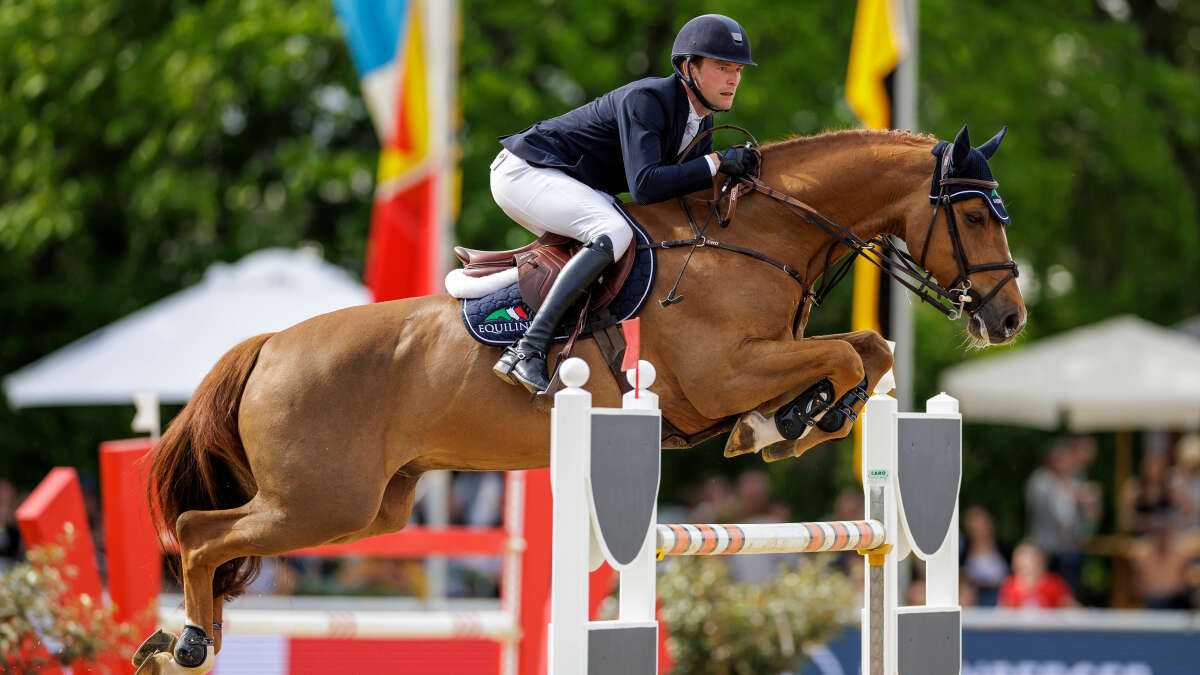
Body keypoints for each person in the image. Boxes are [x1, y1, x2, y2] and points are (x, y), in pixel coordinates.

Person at [490, 14, 760, 393]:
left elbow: (684, 202)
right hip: (526, 171)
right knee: (613, 231)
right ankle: (527, 349)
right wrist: (715, 164)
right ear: (688, 68)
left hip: (568, 182)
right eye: (722, 68)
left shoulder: (700, 126)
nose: (733, 79)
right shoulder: (647, 99)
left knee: (632, 237)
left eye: (737, 70)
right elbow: (646, 186)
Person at [997, 541, 1077, 609]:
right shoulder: (1009, 586)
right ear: (1015, 565)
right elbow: (1003, 613)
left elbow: (1071, 607)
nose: (1030, 566)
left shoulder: (1054, 584)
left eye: (1033, 560)